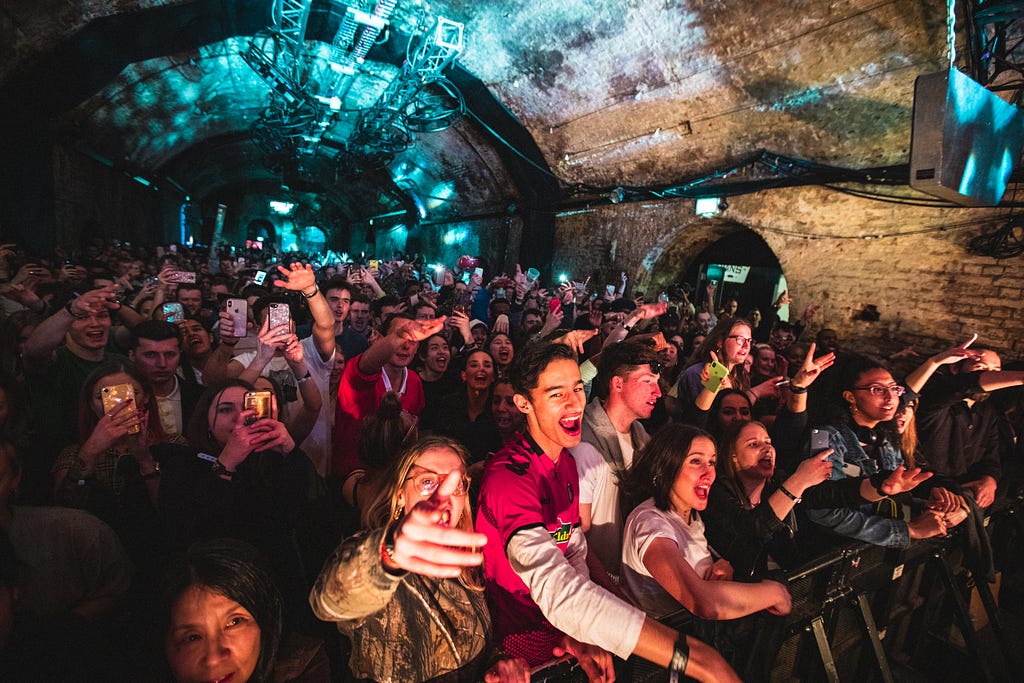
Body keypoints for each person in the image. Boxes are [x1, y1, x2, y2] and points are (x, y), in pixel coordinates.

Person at [476, 342, 739, 682]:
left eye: (577, 388)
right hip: (520, 654)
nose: (574, 403)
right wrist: (692, 657)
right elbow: (555, 586)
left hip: (565, 637)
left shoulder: (566, 463)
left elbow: (573, 550)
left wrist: (609, 616)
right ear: (524, 403)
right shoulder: (510, 477)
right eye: (557, 394)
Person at [310, 436, 530, 683]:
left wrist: (497, 663)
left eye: (455, 485)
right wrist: (389, 555)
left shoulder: (466, 561)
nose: (444, 497)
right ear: (401, 494)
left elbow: (474, 639)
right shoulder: (375, 552)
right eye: (428, 481)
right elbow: (327, 602)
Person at [705, 420, 933, 579]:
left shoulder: (778, 483)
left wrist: (880, 487)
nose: (767, 449)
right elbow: (752, 531)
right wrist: (800, 481)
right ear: (733, 457)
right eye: (754, 445)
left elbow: (828, 495)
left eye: (768, 442)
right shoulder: (718, 492)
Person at [804, 357, 961, 548]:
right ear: (850, 396)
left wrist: (925, 506)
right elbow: (824, 512)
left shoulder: (884, 436)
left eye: (894, 389)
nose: (890, 397)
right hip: (834, 551)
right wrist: (909, 530)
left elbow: (888, 498)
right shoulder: (825, 437)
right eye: (876, 389)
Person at [162, 537, 329, 683]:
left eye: (234, 622)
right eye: (192, 637)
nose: (214, 658)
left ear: (264, 621)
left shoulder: (300, 668)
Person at [571, 340, 660, 580]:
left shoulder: (643, 439)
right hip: (597, 582)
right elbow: (572, 536)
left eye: (658, 383)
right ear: (617, 383)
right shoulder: (584, 446)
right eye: (648, 381)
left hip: (633, 580)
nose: (658, 392)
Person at [333, 314, 444, 477]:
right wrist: (400, 336)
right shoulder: (358, 371)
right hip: (354, 479)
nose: (405, 346)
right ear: (380, 339)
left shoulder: (414, 381)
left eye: (412, 340)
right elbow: (366, 365)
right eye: (399, 337)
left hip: (394, 480)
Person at [129, 320, 204, 441]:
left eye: (170, 354)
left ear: (179, 354)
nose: (162, 364)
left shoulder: (200, 397)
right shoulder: (123, 400)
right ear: (132, 356)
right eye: (151, 355)